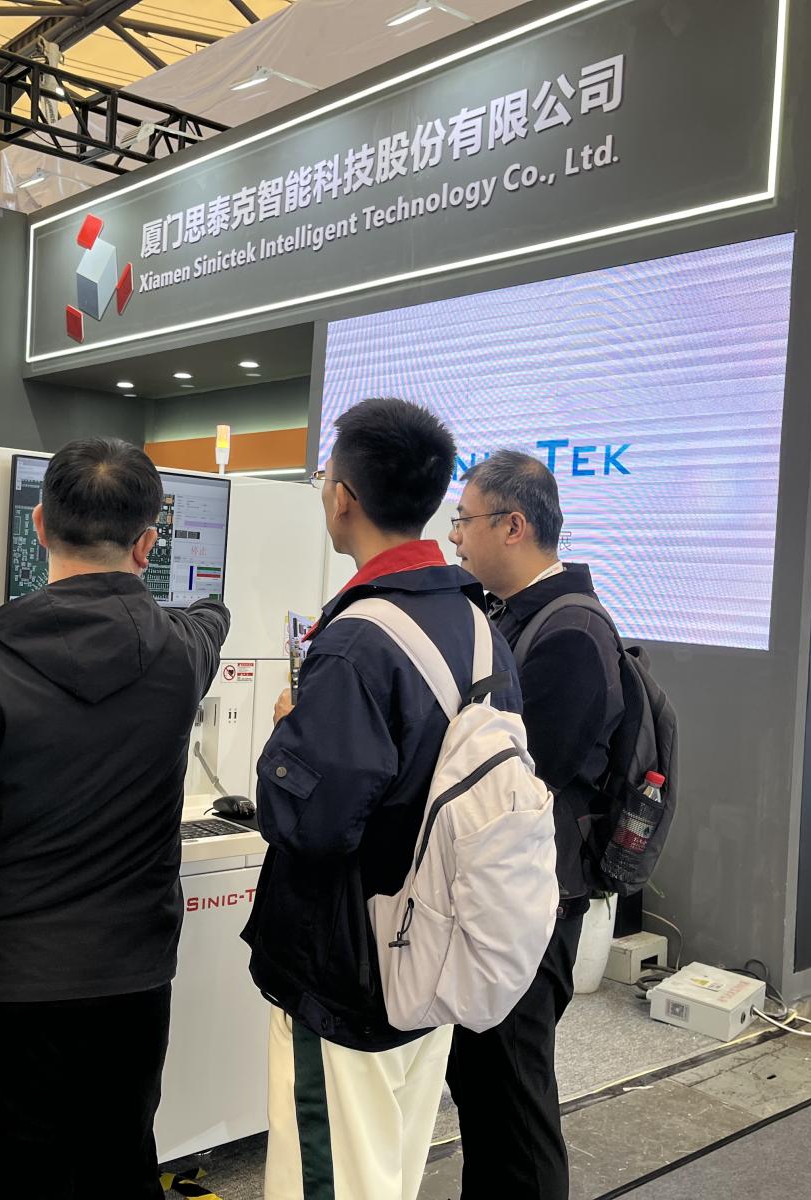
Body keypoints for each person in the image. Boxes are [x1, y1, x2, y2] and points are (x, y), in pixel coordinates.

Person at [0, 438, 230, 1200]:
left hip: (6, 999)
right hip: (132, 991)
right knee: (117, 1175)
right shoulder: (183, 654)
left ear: (39, 525)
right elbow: (214, 613)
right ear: (148, 543)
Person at [245, 397, 521, 1200]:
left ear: (344, 497)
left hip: (343, 974)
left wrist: (287, 740)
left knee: (330, 1179)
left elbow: (310, 823)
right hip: (430, 953)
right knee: (389, 1174)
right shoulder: (482, 629)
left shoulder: (358, 642)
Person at [446, 450, 625, 1199]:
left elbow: (525, 777)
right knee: (485, 1089)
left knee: (515, 1102)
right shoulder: (516, 618)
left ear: (513, 525)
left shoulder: (571, 633)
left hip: (534, 901)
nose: (455, 536)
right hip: (505, 893)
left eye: (464, 520)